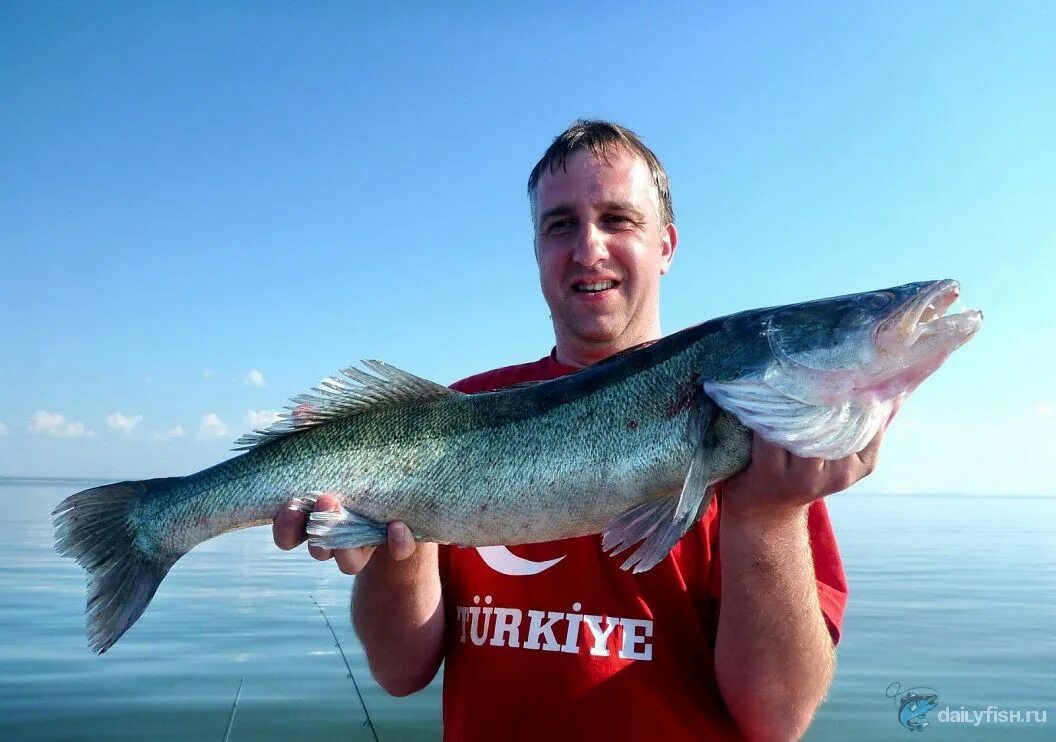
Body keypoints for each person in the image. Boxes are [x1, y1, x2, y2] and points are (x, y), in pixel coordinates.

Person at [273, 120, 895, 741]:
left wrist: (770, 519)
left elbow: (776, 720)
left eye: (619, 219)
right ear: (538, 251)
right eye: (560, 225)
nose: (588, 248)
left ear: (667, 246)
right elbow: (400, 671)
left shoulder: (770, 456)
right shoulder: (459, 411)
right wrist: (392, 548)